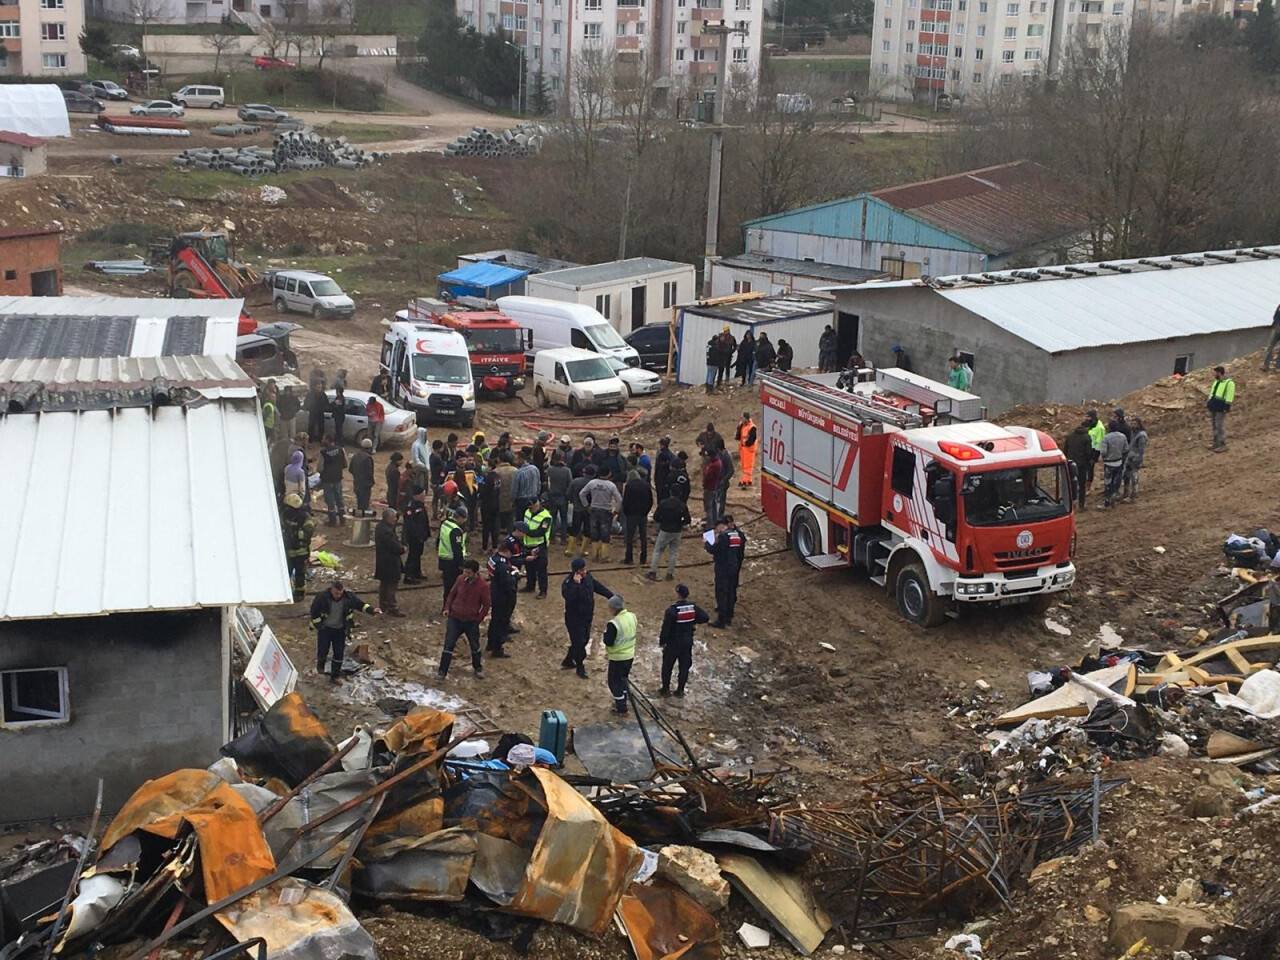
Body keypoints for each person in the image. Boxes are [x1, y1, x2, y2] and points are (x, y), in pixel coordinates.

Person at [309, 580, 378, 683]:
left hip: (340, 630)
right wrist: (319, 626)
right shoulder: (322, 597)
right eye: (336, 593)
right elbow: (314, 612)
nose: (338, 596)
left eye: (340, 593)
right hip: (325, 629)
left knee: (339, 653)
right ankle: (320, 667)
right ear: (331, 589)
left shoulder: (349, 598)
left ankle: (335, 676)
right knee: (323, 650)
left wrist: (372, 610)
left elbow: (360, 605)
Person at [561, 556, 614, 679]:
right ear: (576, 571)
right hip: (574, 618)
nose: (585, 571)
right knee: (579, 643)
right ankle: (580, 666)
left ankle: (568, 659)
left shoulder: (588, 577)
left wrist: (611, 596)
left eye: (585, 569)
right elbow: (570, 597)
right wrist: (577, 585)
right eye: (582, 570)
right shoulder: (568, 583)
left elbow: (597, 586)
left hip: (587, 616)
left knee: (584, 640)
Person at [438, 559, 490, 680]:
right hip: (455, 618)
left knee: (474, 645)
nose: (466, 574)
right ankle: (442, 671)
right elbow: (452, 594)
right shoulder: (460, 579)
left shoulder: (483, 586)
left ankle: (478, 668)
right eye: (465, 572)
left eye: (468, 572)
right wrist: (447, 608)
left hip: (471, 621)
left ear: (475, 572)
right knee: (448, 644)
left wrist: (478, 619)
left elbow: (486, 605)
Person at [659, 584, 710, 698]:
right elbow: (705, 617)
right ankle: (680, 690)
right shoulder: (693, 607)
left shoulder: (672, 610)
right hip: (687, 641)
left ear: (678, 594)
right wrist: (692, 622)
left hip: (673, 642)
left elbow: (666, 629)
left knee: (667, 666)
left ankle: (665, 689)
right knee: (684, 666)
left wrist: (662, 642)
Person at [706, 516, 746, 627]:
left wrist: (707, 541)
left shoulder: (723, 536)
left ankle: (721, 620)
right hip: (734, 567)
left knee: (722, 592)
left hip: (723, 568)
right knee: (731, 591)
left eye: (717, 528)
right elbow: (741, 553)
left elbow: (714, 549)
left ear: (721, 526)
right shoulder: (739, 535)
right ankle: (729, 615)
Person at [602, 594, 638, 715]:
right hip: (630, 655)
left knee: (614, 682)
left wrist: (605, 635)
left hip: (617, 657)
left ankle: (621, 708)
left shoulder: (614, 623)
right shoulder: (632, 616)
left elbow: (608, 642)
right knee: (623, 680)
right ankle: (624, 698)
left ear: (613, 608)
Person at [486, 538, 519, 658]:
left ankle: (491, 644)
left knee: (494, 620)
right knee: (501, 622)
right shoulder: (502, 565)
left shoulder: (493, 559)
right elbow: (507, 582)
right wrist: (515, 575)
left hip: (495, 592)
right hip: (503, 596)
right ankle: (497, 648)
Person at [581, 466, 622, 562]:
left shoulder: (592, 483)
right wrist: (616, 510)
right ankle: (604, 556)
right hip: (606, 511)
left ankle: (595, 555)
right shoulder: (611, 485)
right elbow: (619, 499)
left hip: (594, 509)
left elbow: (582, 494)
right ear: (608, 474)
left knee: (594, 533)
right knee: (605, 534)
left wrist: (586, 505)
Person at [648, 491, 690, 582]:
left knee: (658, 551)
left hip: (665, 529)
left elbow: (656, 517)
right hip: (677, 531)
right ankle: (670, 574)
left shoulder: (664, 503)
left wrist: (663, 521)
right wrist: (680, 523)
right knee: (673, 552)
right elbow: (688, 520)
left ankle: (653, 572)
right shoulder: (682, 505)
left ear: (670, 492)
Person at [280, 493, 315, 600]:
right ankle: (284, 591)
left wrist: (296, 534)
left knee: (300, 574)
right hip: (287, 550)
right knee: (286, 572)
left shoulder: (305, 517)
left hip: (301, 551)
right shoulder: (285, 514)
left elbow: (308, 532)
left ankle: (299, 594)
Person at [374, 508, 406, 616]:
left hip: (382, 561)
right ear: (388, 518)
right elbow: (395, 546)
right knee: (391, 585)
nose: (396, 520)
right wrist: (402, 549)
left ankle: (383, 605)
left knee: (384, 584)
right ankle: (392, 607)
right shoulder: (387, 531)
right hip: (390, 562)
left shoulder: (380, 527)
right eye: (394, 518)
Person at [521, 495, 552, 597]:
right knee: (529, 568)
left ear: (537, 504)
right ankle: (530, 586)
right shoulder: (527, 512)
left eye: (531, 506)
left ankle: (543, 591)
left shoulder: (546, 517)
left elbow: (541, 532)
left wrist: (526, 531)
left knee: (541, 569)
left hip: (539, 546)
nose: (530, 509)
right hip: (527, 544)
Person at [437, 506, 468, 606]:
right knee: (453, 586)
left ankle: (446, 606)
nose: (464, 521)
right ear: (460, 518)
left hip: (444, 558)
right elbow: (457, 549)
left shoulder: (445, 523)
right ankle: (450, 607)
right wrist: (461, 564)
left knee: (447, 586)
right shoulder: (456, 530)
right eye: (464, 519)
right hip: (452, 562)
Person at [622, 467, 653, 565]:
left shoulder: (629, 486)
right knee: (643, 537)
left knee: (630, 538)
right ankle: (643, 558)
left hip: (631, 515)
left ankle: (629, 558)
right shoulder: (646, 485)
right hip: (643, 514)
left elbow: (625, 501)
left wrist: (626, 512)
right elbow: (650, 501)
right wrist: (646, 512)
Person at [402, 486, 430, 584]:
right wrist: (417, 535)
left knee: (418, 554)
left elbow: (424, 521)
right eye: (423, 494)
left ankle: (417, 572)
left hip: (420, 536)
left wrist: (426, 533)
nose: (424, 496)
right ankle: (409, 576)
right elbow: (410, 524)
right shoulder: (411, 506)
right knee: (413, 555)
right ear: (417, 495)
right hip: (414, 537)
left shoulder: (420, 505)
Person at [1063, 421, 1093, 510]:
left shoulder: (1070, 436)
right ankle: (1081, 505)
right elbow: (1088, 453)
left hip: (1070, 463)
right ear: (1087, 428)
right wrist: (1089, 462)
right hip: (1081, 465)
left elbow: (1065, 450)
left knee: (1071, 483)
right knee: (1082, 485)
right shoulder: (1086, 437)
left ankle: (1071, 504)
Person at [1098, 423, 1129, 509]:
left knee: (1108, 483)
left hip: (1109, 463)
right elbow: (1126, 449)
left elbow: (1103, 452)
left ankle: (1107, 503)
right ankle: (1114, 498)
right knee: (1116, 482)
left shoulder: (1106, 438)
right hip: (1118, 462)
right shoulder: (1122, 436)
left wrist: (1103, 457)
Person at [318, 434, 347, 526]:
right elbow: (345, 464)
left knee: (330, 500)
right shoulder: (341, 449)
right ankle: (343, 519)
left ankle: (333, 521)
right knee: (339, 499)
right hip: (337, 478)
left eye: (323, 439)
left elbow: (320, 468)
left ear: (327, 440)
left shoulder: (323, 452)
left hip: (327, 480)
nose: (322, 440)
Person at [566, 465, 594, 557]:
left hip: (577, 508)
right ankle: (583, 550)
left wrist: (573, 501)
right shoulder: (593, 483)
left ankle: (570, 549)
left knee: (574, 529)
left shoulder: (575, 481)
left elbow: (568, 494)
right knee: (587, 529)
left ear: (583, 472)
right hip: (589, 509)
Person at [546, 450, 572, 545]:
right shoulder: (567, 470)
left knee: (552, 518)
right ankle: (563, 539)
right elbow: (570, 483)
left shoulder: (550, 470)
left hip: (552, 496)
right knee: (564, 519)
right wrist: (568, 496)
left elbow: (547, 484)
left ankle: (552, 537)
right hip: (563, 497)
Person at [1208, 365, 1235, 452]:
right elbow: (1212, 392)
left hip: (1221, 406)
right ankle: (1216, 443)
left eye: (1215, 372)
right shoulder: (1216, 382)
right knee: (1214, 425)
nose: (1214, 374)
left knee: (1219, 425)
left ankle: (1222, 444)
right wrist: (1209, 401)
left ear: (1219, 373)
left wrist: (1227, 406)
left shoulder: (1229, 383)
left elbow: (1230, 395)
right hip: (1214, 404)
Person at [479, 456, 503, 551]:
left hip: (487, 505)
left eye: (485, 465)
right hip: (496, 504)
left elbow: (483, 491)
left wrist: (479, 483)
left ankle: (485, 547)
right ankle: (494, 546)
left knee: (486, 527)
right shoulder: (497, 476)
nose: (483, 467)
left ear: (490, 466)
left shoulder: (487, 478)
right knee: (495, 527)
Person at [1123, 418, 1148, 502]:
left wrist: (1138, 459)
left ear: (1139, 424)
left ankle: (1133, 496)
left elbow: (1141, 450)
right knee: (1126, 475)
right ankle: (1125, 493)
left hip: (1135, 459)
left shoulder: (1141, 435)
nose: (1132, 425)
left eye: (1134, 424)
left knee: (1134, 477)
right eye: (1132, 423)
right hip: (1129, 457)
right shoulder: (1133, 433)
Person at [349, 438, 375, 516]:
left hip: (357, 483)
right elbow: (369, 473)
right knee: (364, 505)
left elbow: (351, 469)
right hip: (365, 485)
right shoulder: (368, 458)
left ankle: (360, 518)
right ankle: (362, 522)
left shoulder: (355, 456)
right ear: (370, 447)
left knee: (360, 502)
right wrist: (371, 482)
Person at [513, 449, 542, 519]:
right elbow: (539, 484)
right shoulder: (535, 469)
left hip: (522, 501)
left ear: (521, 459)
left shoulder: (518, 472)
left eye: (516, 459)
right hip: (534, 498)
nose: (515, 461)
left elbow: (515, 490)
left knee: (521, 521)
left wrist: (513, 500)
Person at [735, 411, 758, 488]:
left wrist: (745, 443)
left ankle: (745, 481)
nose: (741, 419)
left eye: (743, 418)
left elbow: (752, 440)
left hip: (749, 449)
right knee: (744, 466)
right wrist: (738, 427)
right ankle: (748, 480)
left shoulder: (752, 427)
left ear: (746, 418)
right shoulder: (742, 426)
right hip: (743, 449)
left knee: (747, 467)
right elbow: (738, 437)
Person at [701, 449, 722, 528]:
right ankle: (714, 521)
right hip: (714, 487)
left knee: (708, 507)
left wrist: (704, 484)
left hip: (709, 488)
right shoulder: (718, 462)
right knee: (713, 505)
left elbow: (707, 476)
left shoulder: (713, 465)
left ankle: (709, 525)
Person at [1085, 409, 1104, 489]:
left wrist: (1094, 457)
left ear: (1092, 417)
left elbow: (1099, 443)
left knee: (1090, 469)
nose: (1086, 418)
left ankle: (1088, 486)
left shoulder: (1099, 428)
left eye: (1088, 417)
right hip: (1086, 449)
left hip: (1093, 451)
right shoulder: (1089, 425)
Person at [716, 440, 734, 518]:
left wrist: (724, 480)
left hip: (722, 483)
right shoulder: (718, 454)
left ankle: (719, 516)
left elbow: (731, 470)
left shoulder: (726, 456)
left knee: (721, 501)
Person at [306, 378, 327, 444]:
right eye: (318, 386)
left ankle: (320, 440)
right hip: (313, 413)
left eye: (320, 386)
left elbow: (326, 403)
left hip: (320, 413)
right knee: (311, 427)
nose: (319, 387)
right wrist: (310, 408)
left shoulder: (323, 394)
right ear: (314, 386)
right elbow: (307, 403)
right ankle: (310, 441)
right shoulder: (310, 394)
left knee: (321, 427)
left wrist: (324, 408)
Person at [654, 436, 675, 501]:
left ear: (662, 445)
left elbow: (658, 468)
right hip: (668, 481)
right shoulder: (672, 455)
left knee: (661, 498)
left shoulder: (661, 455)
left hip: (661, 480)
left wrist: (656, 479)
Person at [410, 427, 431, 493]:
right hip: (419, 468)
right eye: (424, 434)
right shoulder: (416, 445)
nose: (425, 436)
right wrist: (422, 465)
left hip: (426, 467)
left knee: (425, 483)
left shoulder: (426, 443)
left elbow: (429, 452)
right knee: (420, 483)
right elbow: (415, 458)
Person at [1265, 303, 1280, 371]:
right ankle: (1276, 366)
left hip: (1277, 329)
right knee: (1271, 346)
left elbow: (1275, 317)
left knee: (1271, 346)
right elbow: (1275, 317)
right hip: (1277, 330)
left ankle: (1267, 364)